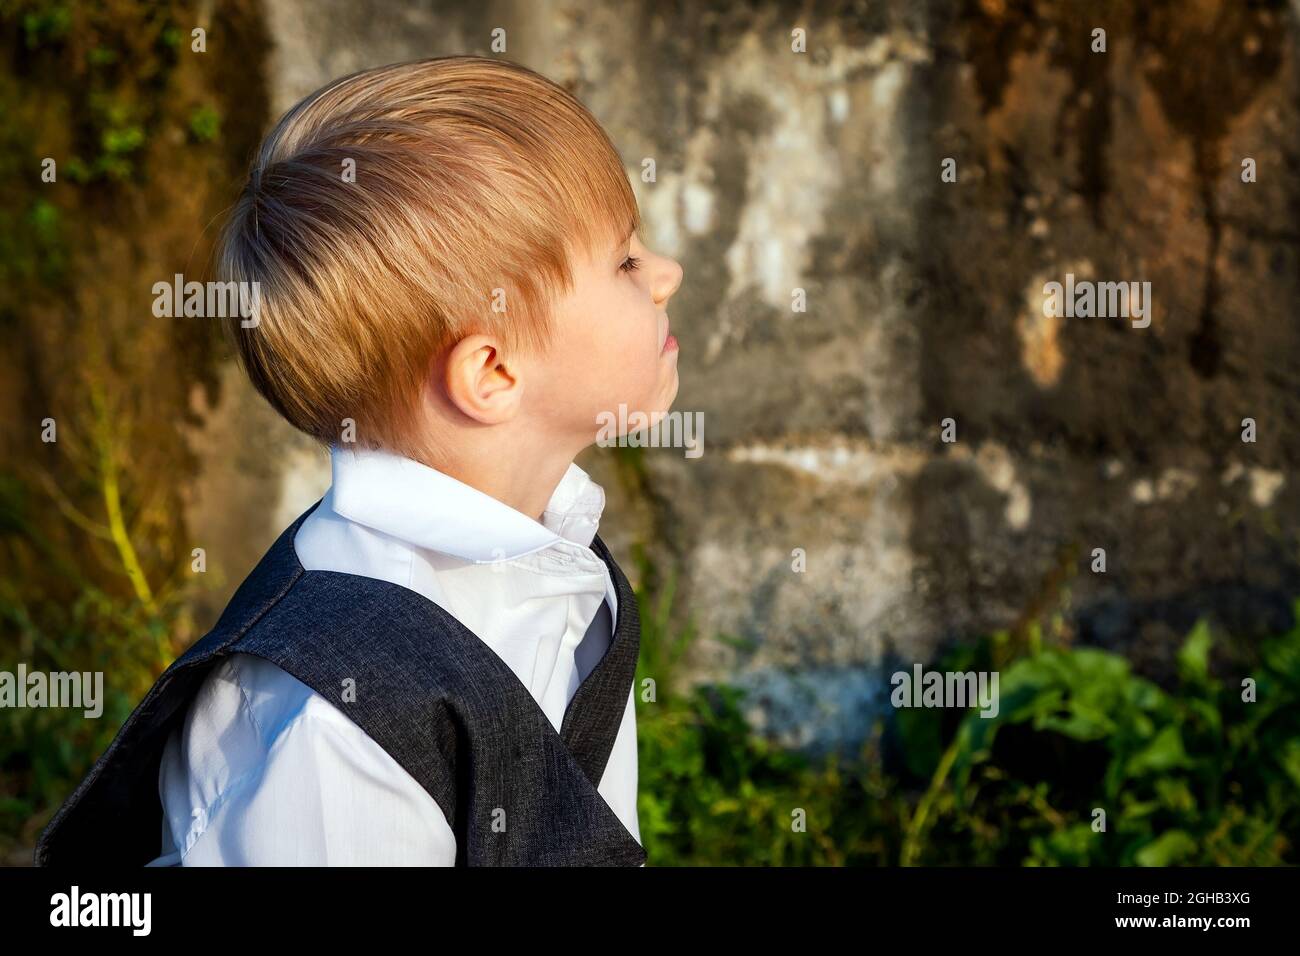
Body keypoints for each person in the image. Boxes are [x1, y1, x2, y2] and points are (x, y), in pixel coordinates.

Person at [35, 54, 683, 867]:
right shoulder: (337, 712)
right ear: (492, 374)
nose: (666, 275)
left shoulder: (560, 555)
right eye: (625, 261)